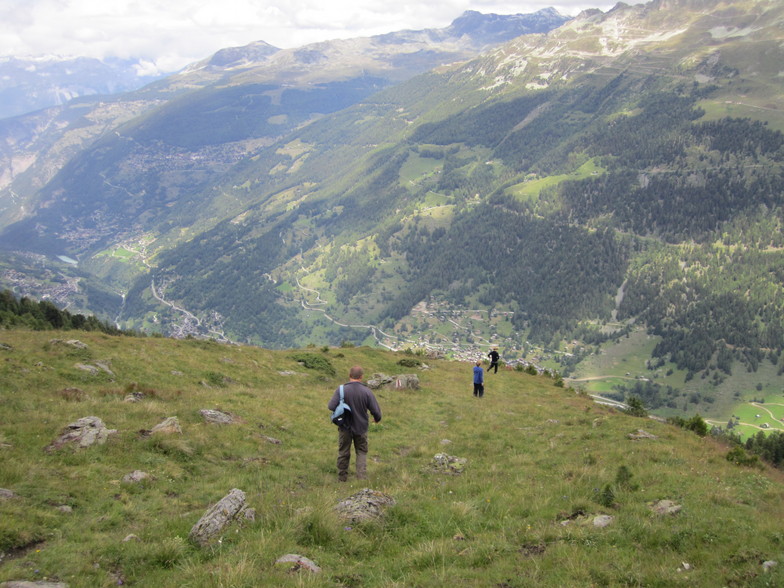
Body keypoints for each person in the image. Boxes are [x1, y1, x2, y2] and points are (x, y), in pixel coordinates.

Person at [327, 365, 382, 482]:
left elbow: (331, 406)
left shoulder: (341, 389)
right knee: (361, 451)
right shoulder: (367, 391)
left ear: (349, 376)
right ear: (361, 377)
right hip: (361, 427)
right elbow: (376, 411)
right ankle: (361, 478)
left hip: (344, 427)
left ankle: (342, 478)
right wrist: (377, 419)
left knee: (343, 451)